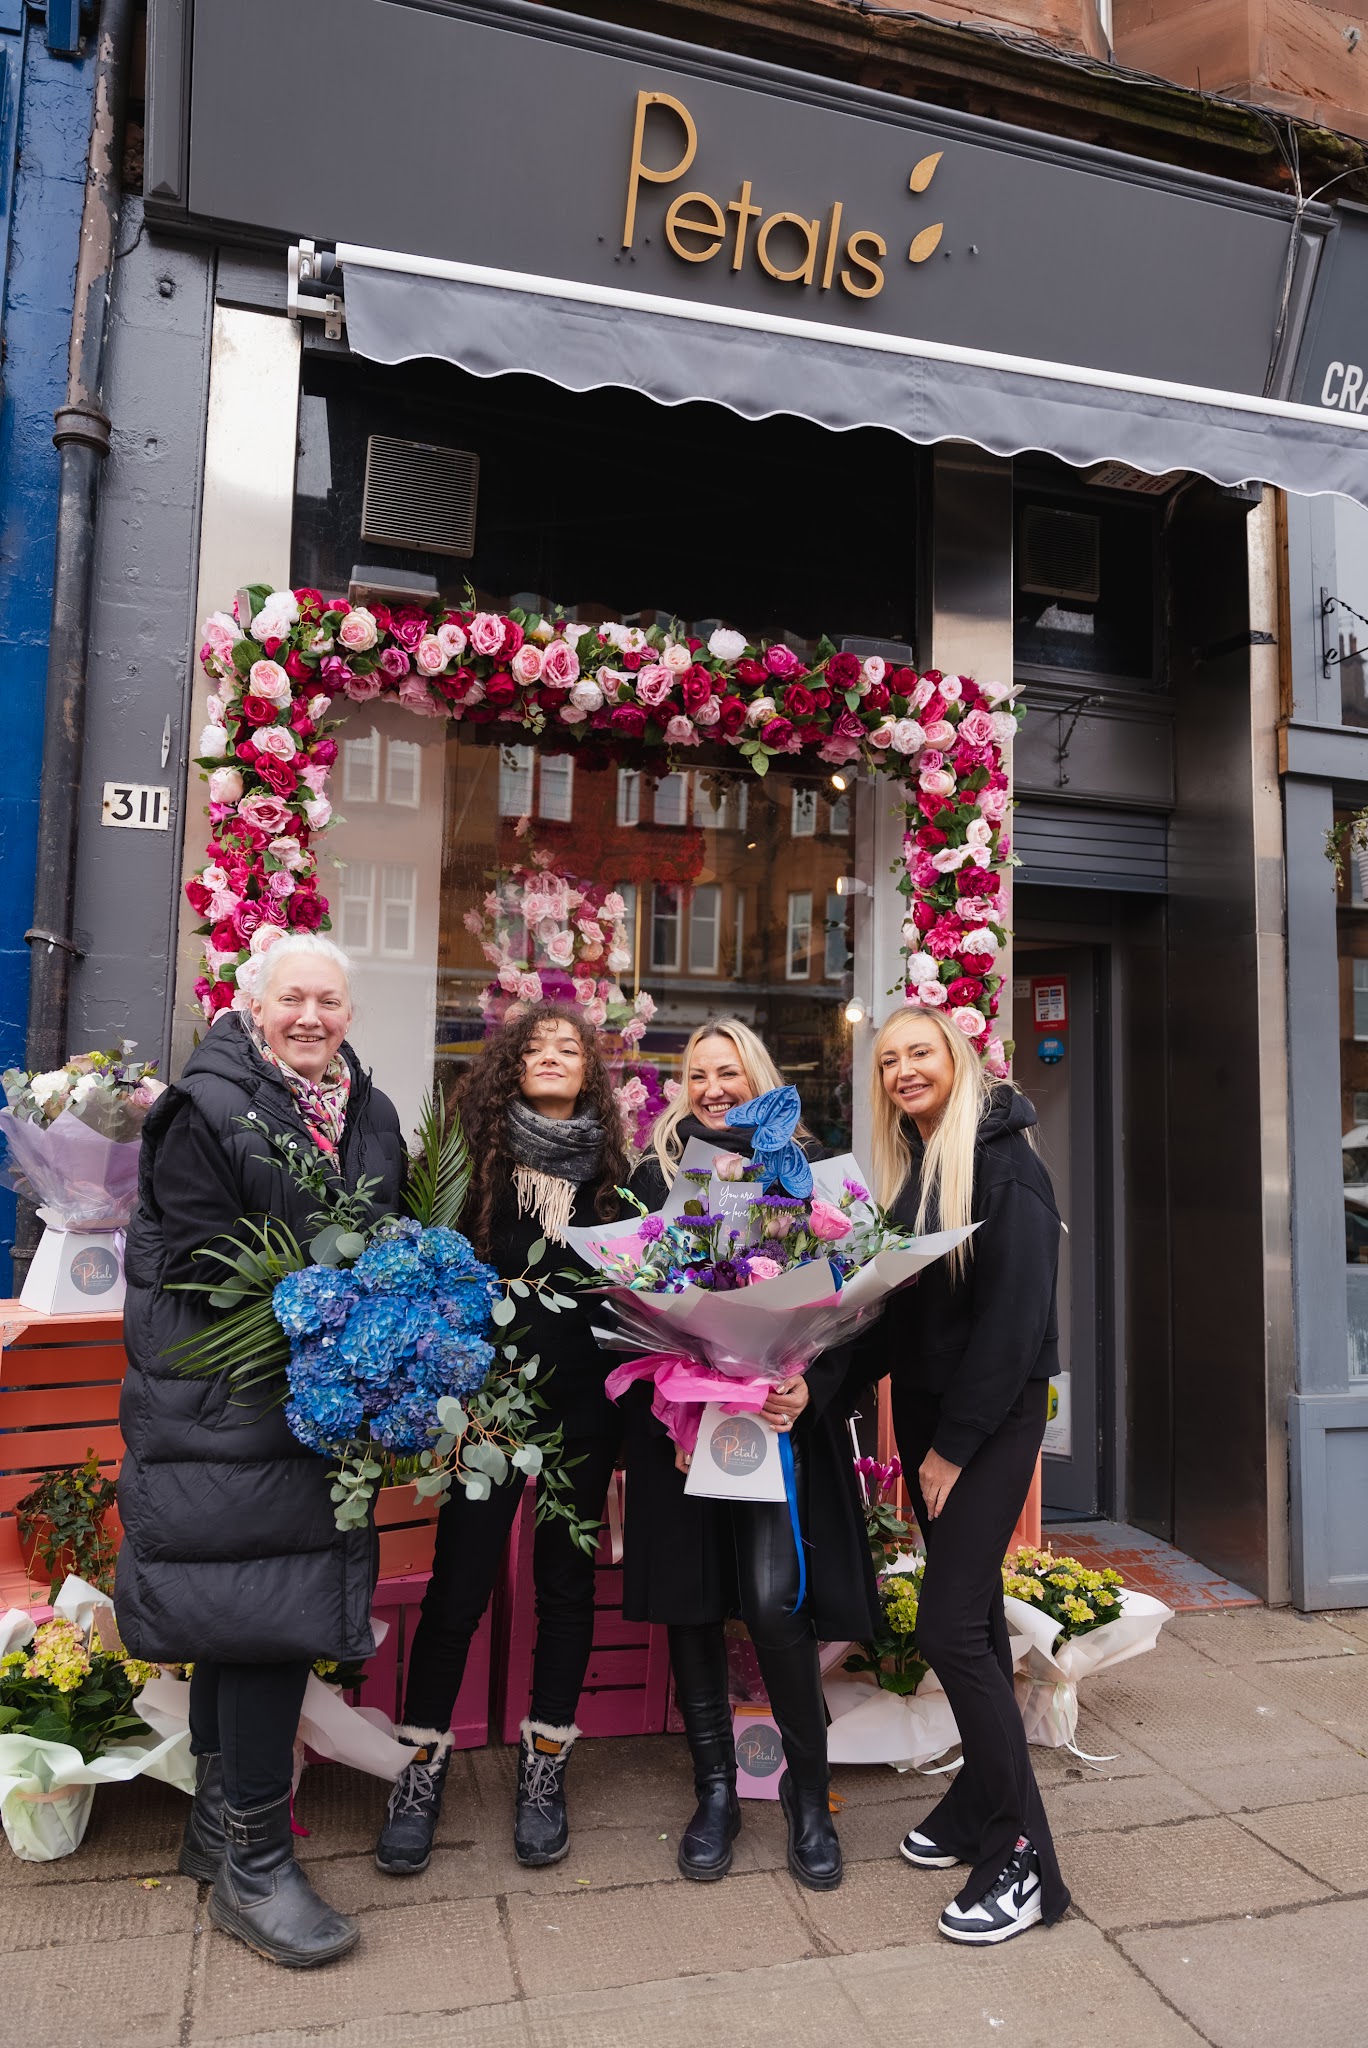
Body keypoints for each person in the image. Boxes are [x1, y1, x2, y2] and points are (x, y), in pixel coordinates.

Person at [115, 935, 406, 1969]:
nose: (313, 1015)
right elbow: (201, 1259)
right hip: (226, 1405)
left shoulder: (367, 1109)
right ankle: (253, 1861)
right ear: (252, 1004)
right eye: (294, 997)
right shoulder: (203, 1107)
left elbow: (391, 1231)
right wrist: (337, 1307)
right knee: (264, 1622)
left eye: (330, 999)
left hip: (312, 1407)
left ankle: (215, 1832)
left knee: (252, 1613)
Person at [374, 1002, 629, 1879]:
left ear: (590, 1072)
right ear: (510, 1068)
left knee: (566, 1584)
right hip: (487, 1415)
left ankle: (546, 1765)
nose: (554, 1056)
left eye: (571, 1048)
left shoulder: (617, 1175)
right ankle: (418, 1765)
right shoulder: (470, 1163)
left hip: (584, 1414)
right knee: (460, 1585)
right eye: (537, 1047)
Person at [622, 1019, 877, 1892]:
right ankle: (717, 1795)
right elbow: (631, 1293)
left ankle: (810, 1799)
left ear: (758, 1075)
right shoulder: (656, 1174)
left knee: (774, 1607)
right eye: (697, 1074)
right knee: (694, 1603)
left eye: (728, 1072)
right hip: (682, 1428)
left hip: (774, 1427)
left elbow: (856, 1300)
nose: (712, 1087)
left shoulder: (805, 1171)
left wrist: (815, 1385)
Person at [862, 1003, 1069, 1944]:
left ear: (956, 1061)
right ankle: (975, 1803)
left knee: (949, 1625)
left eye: (920, 1053)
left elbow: (1016, 1326)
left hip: (988, 1423)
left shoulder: (1006, 1168)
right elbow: (897, 1321)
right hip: (943, 1423)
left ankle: (1024, 1861)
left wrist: (950, 1451)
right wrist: (794, 1382)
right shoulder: (920, 1173)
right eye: (889, 1059)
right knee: (974, 1619)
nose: (905, 1069)